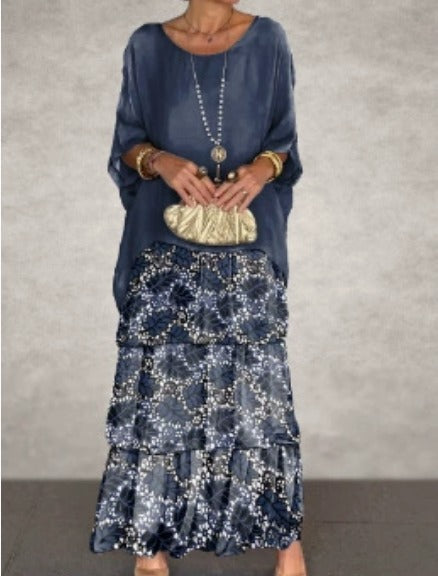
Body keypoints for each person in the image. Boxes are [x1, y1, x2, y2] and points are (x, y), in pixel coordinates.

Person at [89, 2, 307, 575]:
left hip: (246, 233)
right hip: (163, 239)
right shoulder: (146, 45)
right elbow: (126, 143)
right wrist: (158, 160)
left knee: (258, 388)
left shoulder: (269, 39)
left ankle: (286, 542)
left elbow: (284, 141)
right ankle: (150, 546)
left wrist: (261, 168)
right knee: (160, 389)